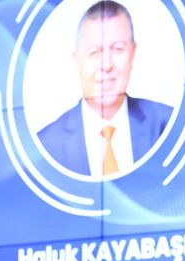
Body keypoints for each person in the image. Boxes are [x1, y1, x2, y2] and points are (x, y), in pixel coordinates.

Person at [37, 1, 172, 177]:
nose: (106, 65)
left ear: (133, 53)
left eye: (118, 49)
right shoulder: (44, 147)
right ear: (77, 60)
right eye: (94, 52)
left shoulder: (170, 125)